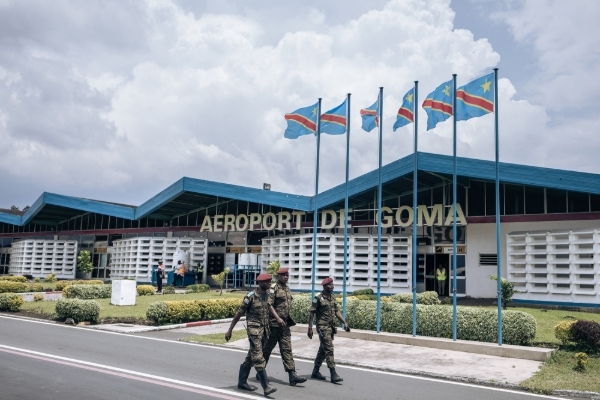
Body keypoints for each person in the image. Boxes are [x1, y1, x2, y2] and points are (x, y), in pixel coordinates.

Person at [225, 273, 285, 396]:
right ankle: (266, 386)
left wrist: (278, 318)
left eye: (270, 282)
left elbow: (269, 307)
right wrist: (230, 330)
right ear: (260, 283)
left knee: (251, 357)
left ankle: (242, 382)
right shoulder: (250, 297)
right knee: (258, 357)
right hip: (254, 331)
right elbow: (238, 314)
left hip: (264, 331)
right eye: (267, 282)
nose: (269, 284)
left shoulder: (267, 295)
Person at [261, 268, 307, 386]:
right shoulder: (273, 288)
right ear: (279, 276)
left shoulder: (287, 288)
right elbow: (269, 304)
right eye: (283, 275)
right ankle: (260, 372)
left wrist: (284, 320)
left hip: (284, 325)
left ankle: (292, 375)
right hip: (273, 325)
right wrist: (277, 318)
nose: (286, 277)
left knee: (287, 349)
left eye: (287, 275)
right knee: (266, 350)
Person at [307, 277, 350, 383]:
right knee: (329, 349)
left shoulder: (332, 297)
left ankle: (315, 371)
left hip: (330, 327)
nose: (332, 286)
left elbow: (336, 311)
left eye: (332, 284)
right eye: (329, 285)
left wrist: (344, 323)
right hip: (322, 327)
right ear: (324, 286)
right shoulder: (318, 298)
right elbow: (312, 313)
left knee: (323, 350)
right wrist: (310, 328)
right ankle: (333, 374)